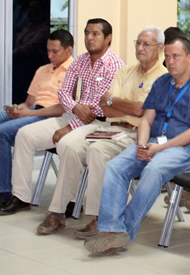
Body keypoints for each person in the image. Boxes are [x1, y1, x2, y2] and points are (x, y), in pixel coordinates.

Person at [85, 37, 190, 255]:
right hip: (154, 143)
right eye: (167, 56)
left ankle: (124, 231)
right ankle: (110, 229)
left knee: (154, 169)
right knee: (115, 167)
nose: (170, 61)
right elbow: (147, 120)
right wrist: (142, 143)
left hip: (187, 150)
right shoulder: (161, 83)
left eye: (176, 56)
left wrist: (159, 149)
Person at [37, 27, 166, 237]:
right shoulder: (126, 71)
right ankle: (58, 212)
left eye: (146, 44)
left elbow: (140, 110)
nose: (140, 48)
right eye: (138, 43)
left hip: (136, 133)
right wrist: (123, 105)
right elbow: (104, 106)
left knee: (97, 151)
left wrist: (118, 103)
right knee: (67, 144)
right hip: (108, 126)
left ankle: (100, 218)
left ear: (160, 48)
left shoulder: (163, 77)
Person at [0, 19, 124, 215]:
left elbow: (100, 107)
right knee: (24, 135)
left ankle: (72, 200)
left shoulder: (114, 66)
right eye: (87, 33)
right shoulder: (80, 61)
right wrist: (76, 106)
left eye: (95, 34)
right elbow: (64, 94)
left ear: (108, 38)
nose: (89, 38)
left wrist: (71, 124)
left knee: (66, 142)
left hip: (97, 124)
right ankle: (21, 197)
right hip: (72, 115)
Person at [0, 29, 73, 201]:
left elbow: (62, 109)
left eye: (55, 51)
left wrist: (29, 113)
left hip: (48, 117)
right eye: (48, 50)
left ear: (69, 50)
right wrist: (18, 109)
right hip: (32, 111)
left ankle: (4, 191)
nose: (50, 55)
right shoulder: (42, 70)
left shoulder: (74, 72)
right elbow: (29, 103)